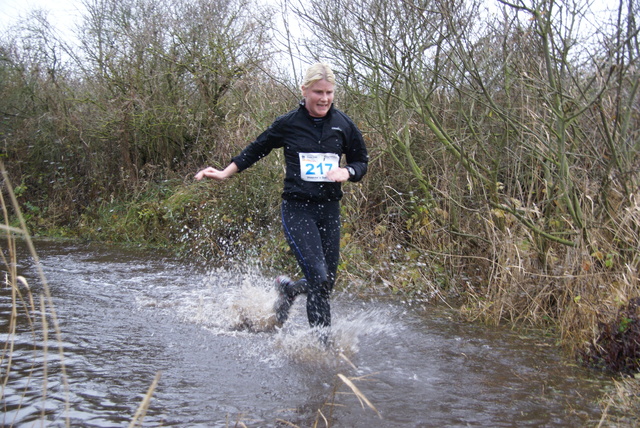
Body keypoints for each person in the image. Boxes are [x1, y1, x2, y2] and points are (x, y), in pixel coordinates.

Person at [195, 63, 368, 341]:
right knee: (319, 280)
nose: (324, 98)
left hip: (329, 211)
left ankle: (288, 291)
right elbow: (258, 148)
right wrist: (226, 172)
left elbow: (361, 162)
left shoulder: (343, 125)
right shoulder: (289, 123)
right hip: (297, 209)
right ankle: (321, 348)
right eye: (318, 92)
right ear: (304, 90)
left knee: (325, 283)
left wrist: (347, 172)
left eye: (329, 93)